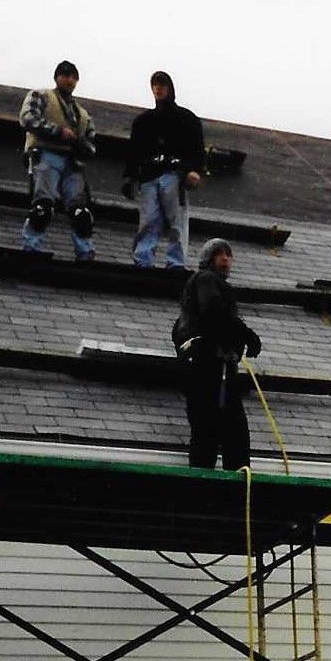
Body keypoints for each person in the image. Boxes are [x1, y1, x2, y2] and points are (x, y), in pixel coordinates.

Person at [174, 239, 262, 469]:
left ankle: (209, 485)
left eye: (228, 254)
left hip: (207, 368)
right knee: (233, 435)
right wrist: (246, 335)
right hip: (212, 368)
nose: (225, 258)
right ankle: (235, 486)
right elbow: (215, 311)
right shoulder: (206, 279)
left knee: (207, 434)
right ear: (209, 259)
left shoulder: (196, 291)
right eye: (219, 253)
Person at [123, 70, 205, 269]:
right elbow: (134, 152)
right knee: (150, 220)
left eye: (162, 84)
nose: (158, 89)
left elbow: (197, 149)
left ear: (170, 88)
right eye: (155, 85)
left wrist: (193, 170)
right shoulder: (143, 122)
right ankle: (143, 260)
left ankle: (175, 263)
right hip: (149, 177)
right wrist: (129, 177)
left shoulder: (187, 119)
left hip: (175, 176)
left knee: (177, 221)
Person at [19, 60, 98, 260]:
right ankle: (31, 247)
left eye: (73, 76)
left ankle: (85, 252)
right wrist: (56, 131)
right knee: (42, 206)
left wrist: (79, 144)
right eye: (65, 75)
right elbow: (27, 118)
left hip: (72, 162)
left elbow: (91, 144)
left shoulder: (82, 113)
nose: (70, 80)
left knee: (81, 212)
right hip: (46, 154)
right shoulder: (41, 96)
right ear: (57, 77)